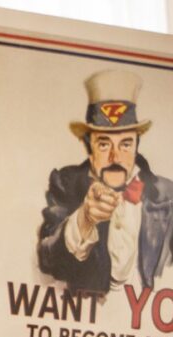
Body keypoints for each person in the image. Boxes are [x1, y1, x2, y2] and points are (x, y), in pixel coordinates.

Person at [38, 69, 173, 294]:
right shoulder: (66, 183)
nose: (115, 157)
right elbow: (47, 259)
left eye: (125, 144)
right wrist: (84, 219)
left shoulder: (168, 195)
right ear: (89, 149)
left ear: (136, 147)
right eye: (104, 144)